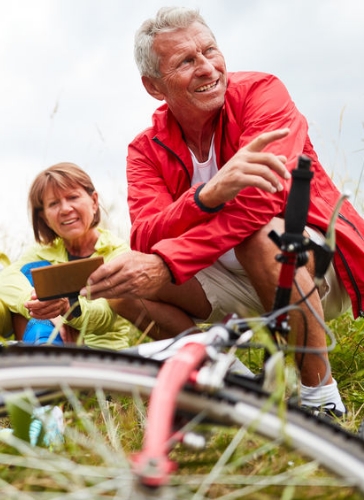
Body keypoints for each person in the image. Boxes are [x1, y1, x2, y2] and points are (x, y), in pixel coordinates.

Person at [82, 7, 364, 417]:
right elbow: (145, 235)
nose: (207, 68)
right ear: (154, 86)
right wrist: (205, 196)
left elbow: (263, 201)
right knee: (123, 279)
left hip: (313, 266)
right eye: (185, 61)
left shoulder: (262, 93)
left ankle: (321, 400)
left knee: (260, 236)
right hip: (228, 280)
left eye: (210, 51)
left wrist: (172, 261)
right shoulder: (144, 149)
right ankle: (236, 386)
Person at [0, 162, 193, 349]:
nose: (65, 209)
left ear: (93, 202)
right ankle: (41, 358)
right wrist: (44, 309)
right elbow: (5, 279)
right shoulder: (40, 252)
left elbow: (106, 316)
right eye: (54, 203)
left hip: (102, 353)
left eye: (73, 197)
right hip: (50, 345)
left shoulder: (117, 253)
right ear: (45, 218)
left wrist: (68, 309)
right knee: (29, 276)